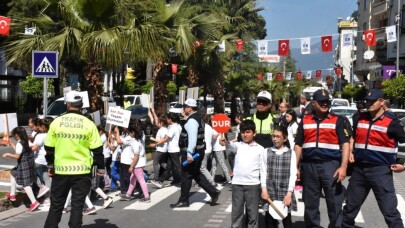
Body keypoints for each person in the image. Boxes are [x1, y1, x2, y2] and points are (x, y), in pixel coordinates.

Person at [342, 89, 405, 228]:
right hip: (359, 171)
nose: (368, 103)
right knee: (349, 210)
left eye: (372, 101)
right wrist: (352, 150)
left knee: (390, 212)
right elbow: (353, 136)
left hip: (380, 171)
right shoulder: (359, 117)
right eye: (367, 100)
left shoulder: (392, 122)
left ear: (382, 102)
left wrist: (404, 165)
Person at [43, 91, 104, 228]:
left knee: (56, 205)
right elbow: (98, 150)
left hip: (61, 171)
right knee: (77, 206)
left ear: (67, 104)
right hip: (82, 172)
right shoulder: (89, 124)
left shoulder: (57, 122)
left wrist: (50, 165)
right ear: (81, 105)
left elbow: (49, 148)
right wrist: (101, 168)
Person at [294, 88, 350, 228]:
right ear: (313, 103)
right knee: (310, 203)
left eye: (327, 102)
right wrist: (294, 167)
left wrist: (343, 167)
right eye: (321, 102)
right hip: (309, 166)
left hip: (330, 166)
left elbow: (345, 144)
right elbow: (298, 145)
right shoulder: (305, 120)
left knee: (334, 203)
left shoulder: (338, 120)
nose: (325, 104)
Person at [170, 98, 220, 208]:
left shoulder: (192, 121)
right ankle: (213, 192)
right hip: (198, 151)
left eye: (185, 107)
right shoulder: (197, 118)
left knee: (186, 176)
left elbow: (192, 139)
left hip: (192, 153)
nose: (183, 109)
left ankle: (184, 200)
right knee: (195, 174)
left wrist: (189, 154)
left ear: (189, 108)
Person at [228, 120, 268, 228]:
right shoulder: (238, 145)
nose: (245, 135)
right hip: (237, 185)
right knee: (236, 214)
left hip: (253, 185)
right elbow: (229, 145)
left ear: (254, 133)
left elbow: (263, 171)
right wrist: (225, 141)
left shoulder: (260, 149)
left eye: (248, 132)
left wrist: (263, 188)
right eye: (243, 132)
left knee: (252, 215)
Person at [265, 125, 297, 228]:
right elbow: (263, 171)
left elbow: (293, 174)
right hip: (270, 190)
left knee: (286, 218)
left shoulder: (291, 153)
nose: (275, 139)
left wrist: (289, 193)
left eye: (278, 136)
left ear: (285, 138)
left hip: (285, 191)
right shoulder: (266, 151)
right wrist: (264, 189)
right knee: (269, 220)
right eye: (273, 136)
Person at [3, 127, 39, 212]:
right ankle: (12, 194)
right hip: (29, 164)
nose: (14, 137)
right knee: (13, 173)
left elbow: (17, 156)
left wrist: (8, 154)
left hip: (23, 165)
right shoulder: (27, 141)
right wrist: (12, 145)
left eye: (14, 135)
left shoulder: (20, 143)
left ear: (17, 135)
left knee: (25, 184)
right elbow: (21, 151)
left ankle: (34, 202)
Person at [121, 123, 150, 202]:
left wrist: (131, 166)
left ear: (133, 133)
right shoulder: (138, 141)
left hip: (137, 165)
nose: (129, 134)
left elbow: (136, 157)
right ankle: (128, 195)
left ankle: (146, 197)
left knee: (141, 180)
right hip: (138, 164)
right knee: (132, 179)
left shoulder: (135, 143)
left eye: (130, 132)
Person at [31, 117, 53, 204]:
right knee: (46, 177)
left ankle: (41, 186)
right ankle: (48, 198)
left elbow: (34, 148)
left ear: (43, 127)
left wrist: (26, 144)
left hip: (39, 159)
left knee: (29, 173)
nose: (38, 128)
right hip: (48, 159)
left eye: (39, 126)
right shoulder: (51, 134)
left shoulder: (41, 135)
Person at [150, 113, 169, 186]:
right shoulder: (165, 129)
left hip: (160, 149)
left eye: (159, 122)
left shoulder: (161, 130)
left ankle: (156, 178)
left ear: (161, 123)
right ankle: (169, 169)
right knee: (162, 163)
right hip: (163, 149)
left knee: (155, 163)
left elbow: (161, 140)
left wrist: (153, 139)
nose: (157, 123)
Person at [200, 114, 217, 186]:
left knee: (202, 167)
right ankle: (203, 180)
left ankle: (211, 181)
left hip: (204, 149)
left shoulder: (202, 128)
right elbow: (214, 137)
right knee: (204, 166)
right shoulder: (210, 128)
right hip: (209, 149)